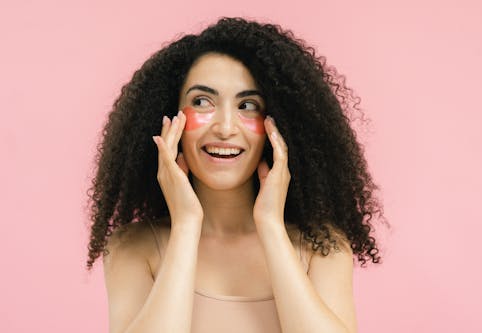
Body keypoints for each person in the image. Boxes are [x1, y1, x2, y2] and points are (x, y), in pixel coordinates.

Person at [85, 16, 387, 333]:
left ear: (281, 122)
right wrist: (186, 224)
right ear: (167, 117)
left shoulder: (323, 248)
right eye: (202, 101)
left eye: (248, 105)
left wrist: (270, 225)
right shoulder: (132, 249)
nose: (226, 128)